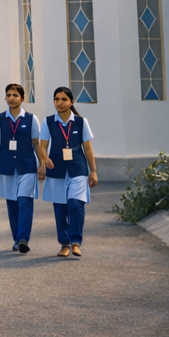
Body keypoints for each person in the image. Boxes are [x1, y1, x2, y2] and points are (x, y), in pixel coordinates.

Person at [38, 86, 98, 258]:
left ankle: (76, 242)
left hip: (78, 169)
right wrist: (44, 158)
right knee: (60, 209)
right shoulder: (48, 122)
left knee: (75, 205)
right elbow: (42, 146)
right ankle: (64, 243)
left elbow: (87, 148)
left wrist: (93, 171)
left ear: (71, 102)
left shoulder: (81, 122)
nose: (60, 102)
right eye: (56, 99)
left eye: (64, 99)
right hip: (56, 170)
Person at [0, 82, 40, 254]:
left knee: (24, 201)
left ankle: (23, 238)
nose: (11, 98)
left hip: (27, 165)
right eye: (8, 95)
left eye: (15, 95)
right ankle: (17, 238)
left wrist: (43, 164)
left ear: (22, 98)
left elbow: (37, 143)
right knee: (12, 204)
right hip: (7, 165)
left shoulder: (32, 119)